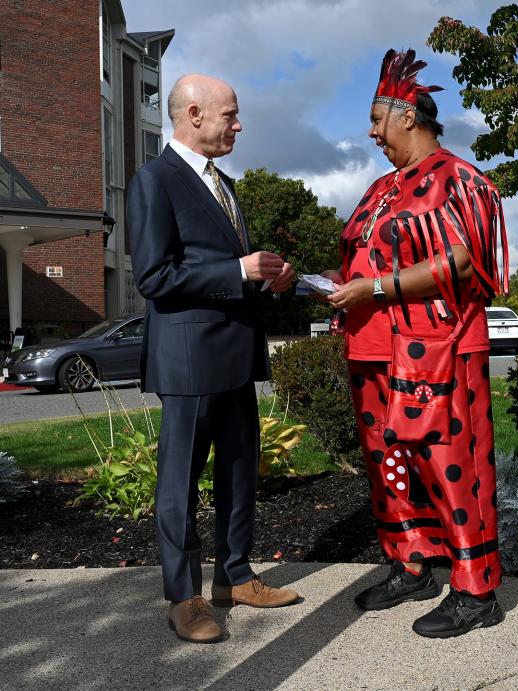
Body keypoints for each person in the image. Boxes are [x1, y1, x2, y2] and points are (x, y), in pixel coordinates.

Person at [325, 49, 510, 639]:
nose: (373, 133)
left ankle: (475, 589)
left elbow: (463, 260)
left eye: (378, 120)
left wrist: (374, 286)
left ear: (408, 115)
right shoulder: (382, 187)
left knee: (451, 465)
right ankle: (411, 563)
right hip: (372, 346)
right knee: (388, 463)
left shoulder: (460, 180)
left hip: (438, 345)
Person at [128, 74, 300, 644]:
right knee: (179, 482)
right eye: (231, 114)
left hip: (234, 356)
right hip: (188, 359)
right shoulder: (156, 180)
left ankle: (235, 575)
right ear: (194, 114)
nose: (238, 123)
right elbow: (154, 278)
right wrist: (237, 271)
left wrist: (268, 280)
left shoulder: (223, 182)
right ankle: (184, 598)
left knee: (237, 469)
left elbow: (231, 270)